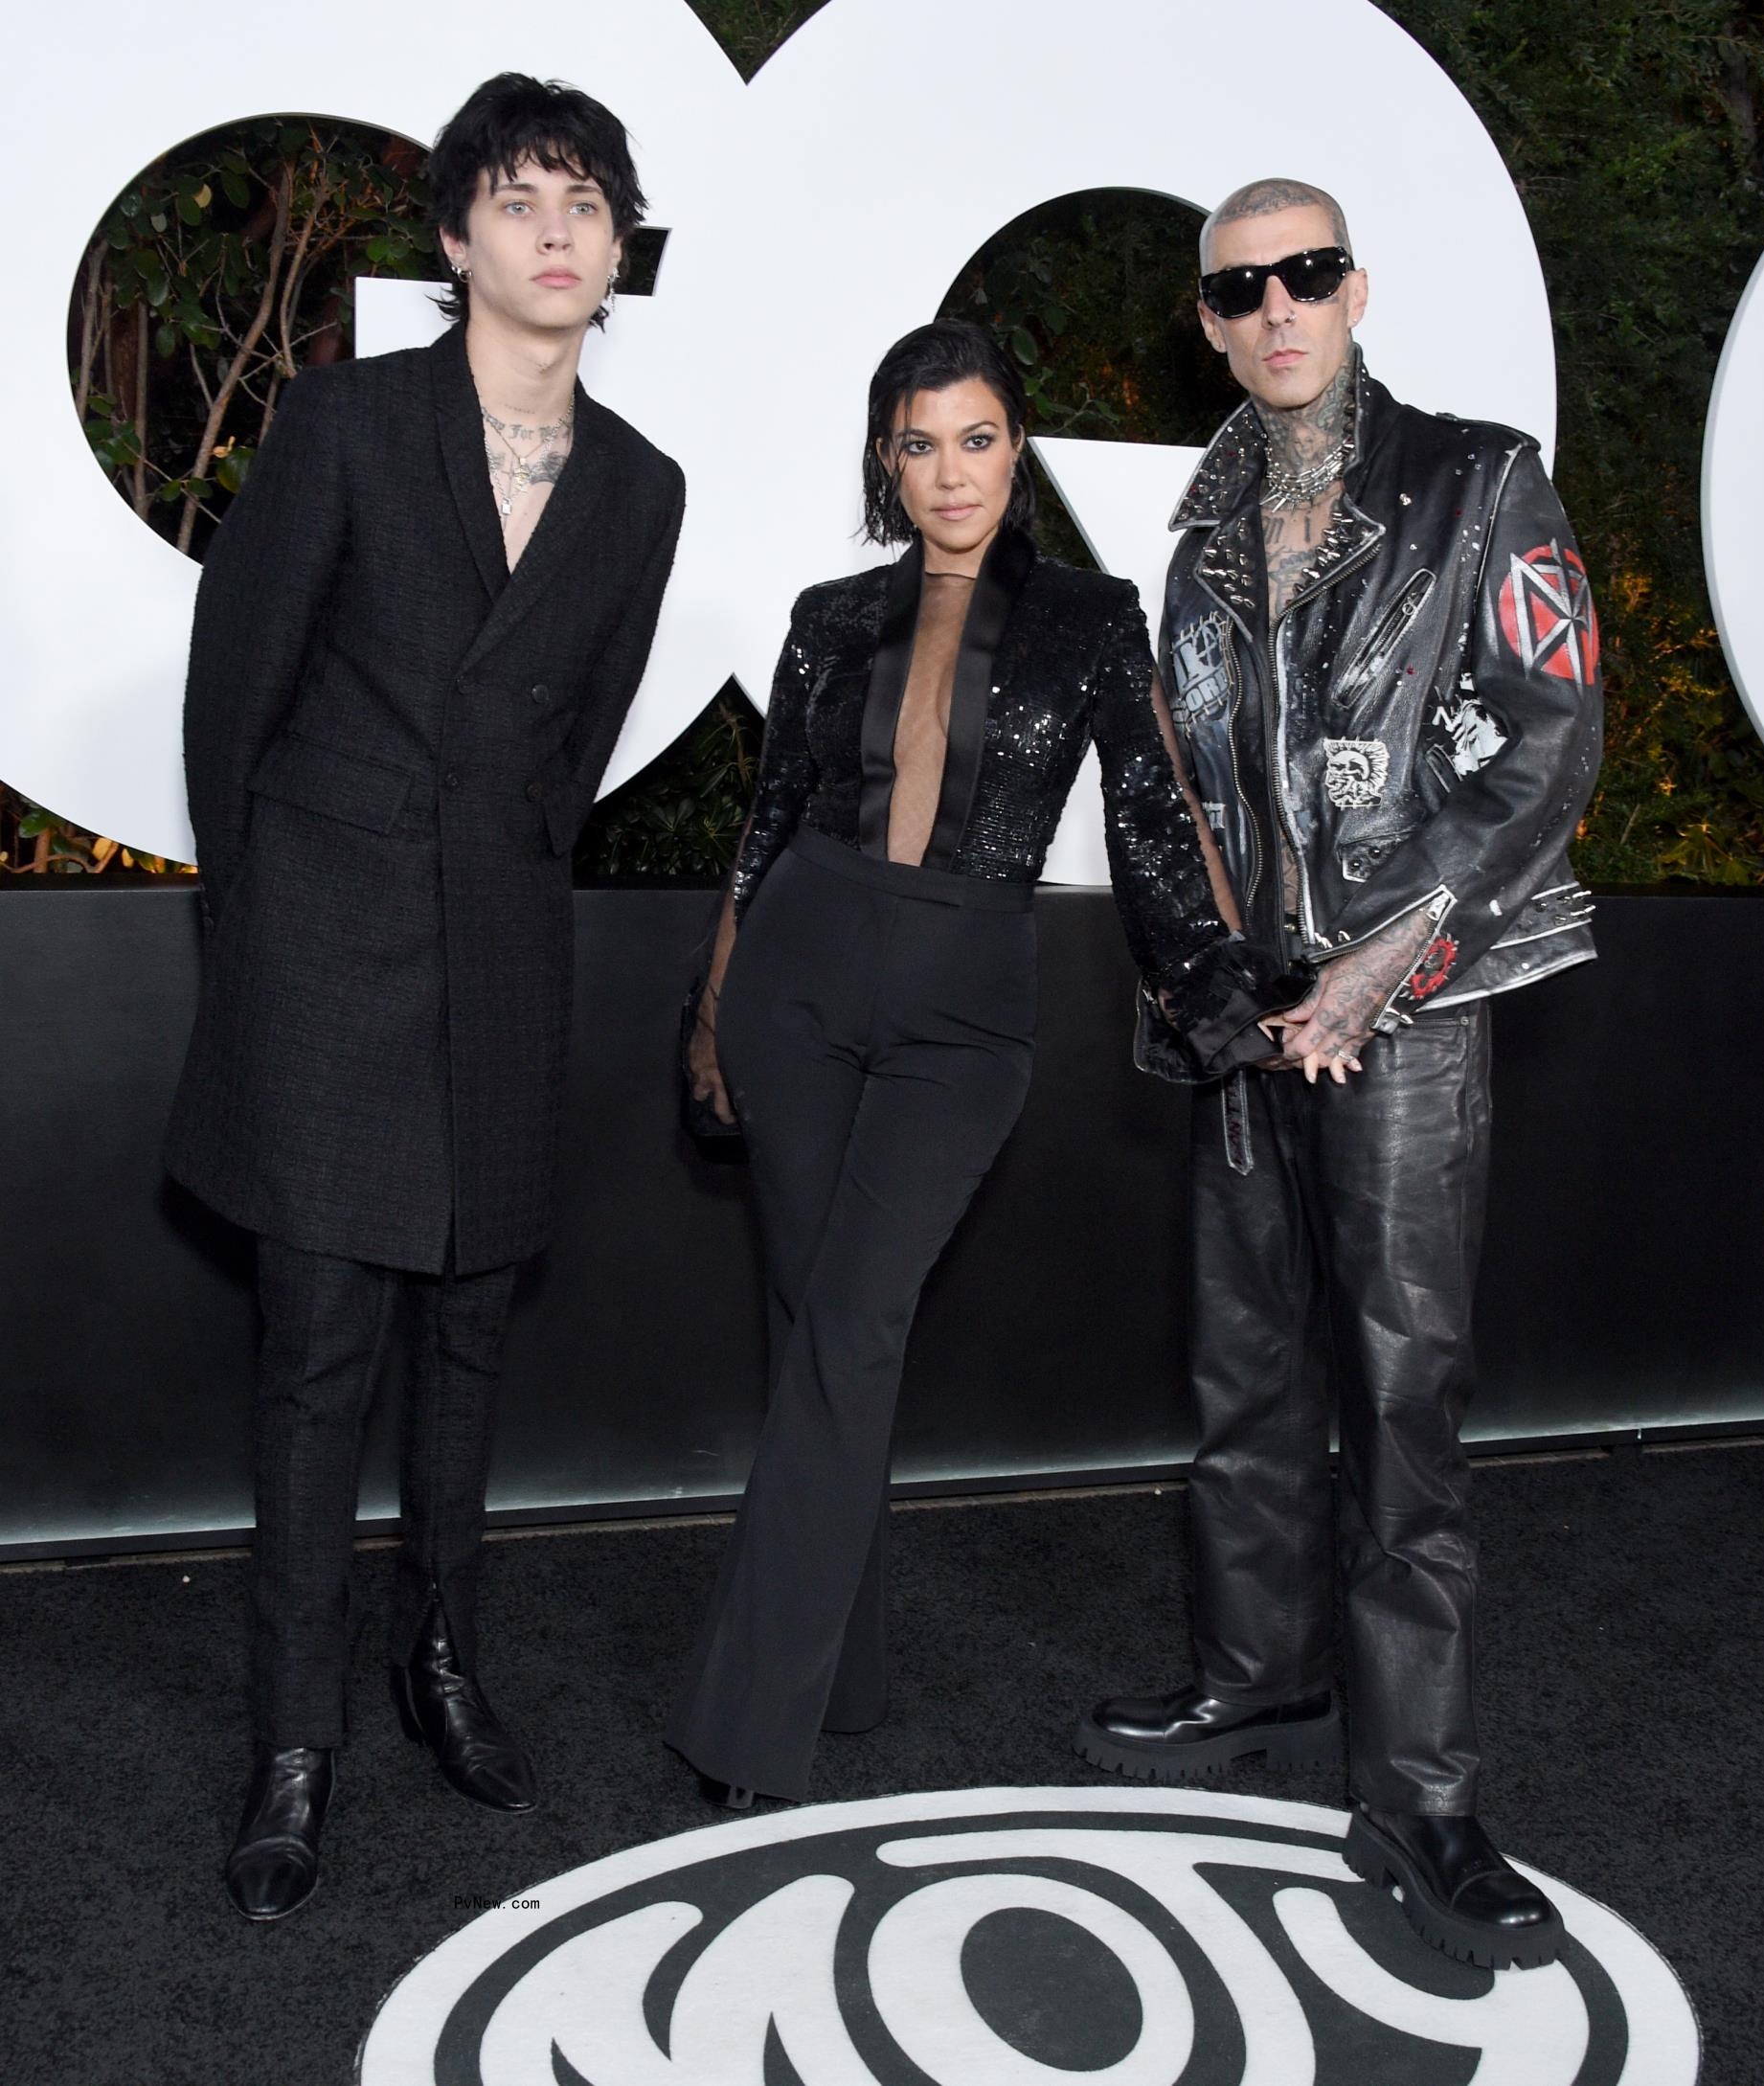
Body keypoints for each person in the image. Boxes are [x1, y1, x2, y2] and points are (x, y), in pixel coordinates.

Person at [164, 74, 685, 1920]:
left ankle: (439, 1656)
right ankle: (294, 1737)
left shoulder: (641, 488)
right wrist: (261, 938)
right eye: (522, 197)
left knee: (471, 1340)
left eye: (590, 202)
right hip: (326, 941)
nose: (559, 229)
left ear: (617, 252)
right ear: (457, 234)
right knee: (317, 1357)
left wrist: (504, 867)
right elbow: (235, 703)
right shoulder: (347, 427)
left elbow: (584, 737)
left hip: (501, 943)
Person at [668, 319, 1300, 1809]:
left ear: (1014, 451)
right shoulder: (829, 614)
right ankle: (844, 1674)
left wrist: (1227, 998)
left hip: (964, 1010)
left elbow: (1152, 819)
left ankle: (746, 1718)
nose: (948, 471)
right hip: (802, 982)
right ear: (884, 460)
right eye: (917, 441)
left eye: (976, 438)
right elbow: (765, 833)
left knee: (853, 1326)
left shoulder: (1090, 617)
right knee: (808, 1314)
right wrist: (711, 1015)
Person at [1077, 178, 1602, 1972]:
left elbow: (1550, 744)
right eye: (1243, 286)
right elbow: (1187, 779)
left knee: (1397, 1401)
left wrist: (1390, 960)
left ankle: (1427, 1796)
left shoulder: (1477, 478)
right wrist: (1215, 980)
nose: (1279, 304)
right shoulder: (1207, 515)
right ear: (1212, 323)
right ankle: (1258, 1674)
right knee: (1240, 1369)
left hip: (1411, 1004)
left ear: (1355, 289)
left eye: (1307, 271)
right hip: (1248, 1009)